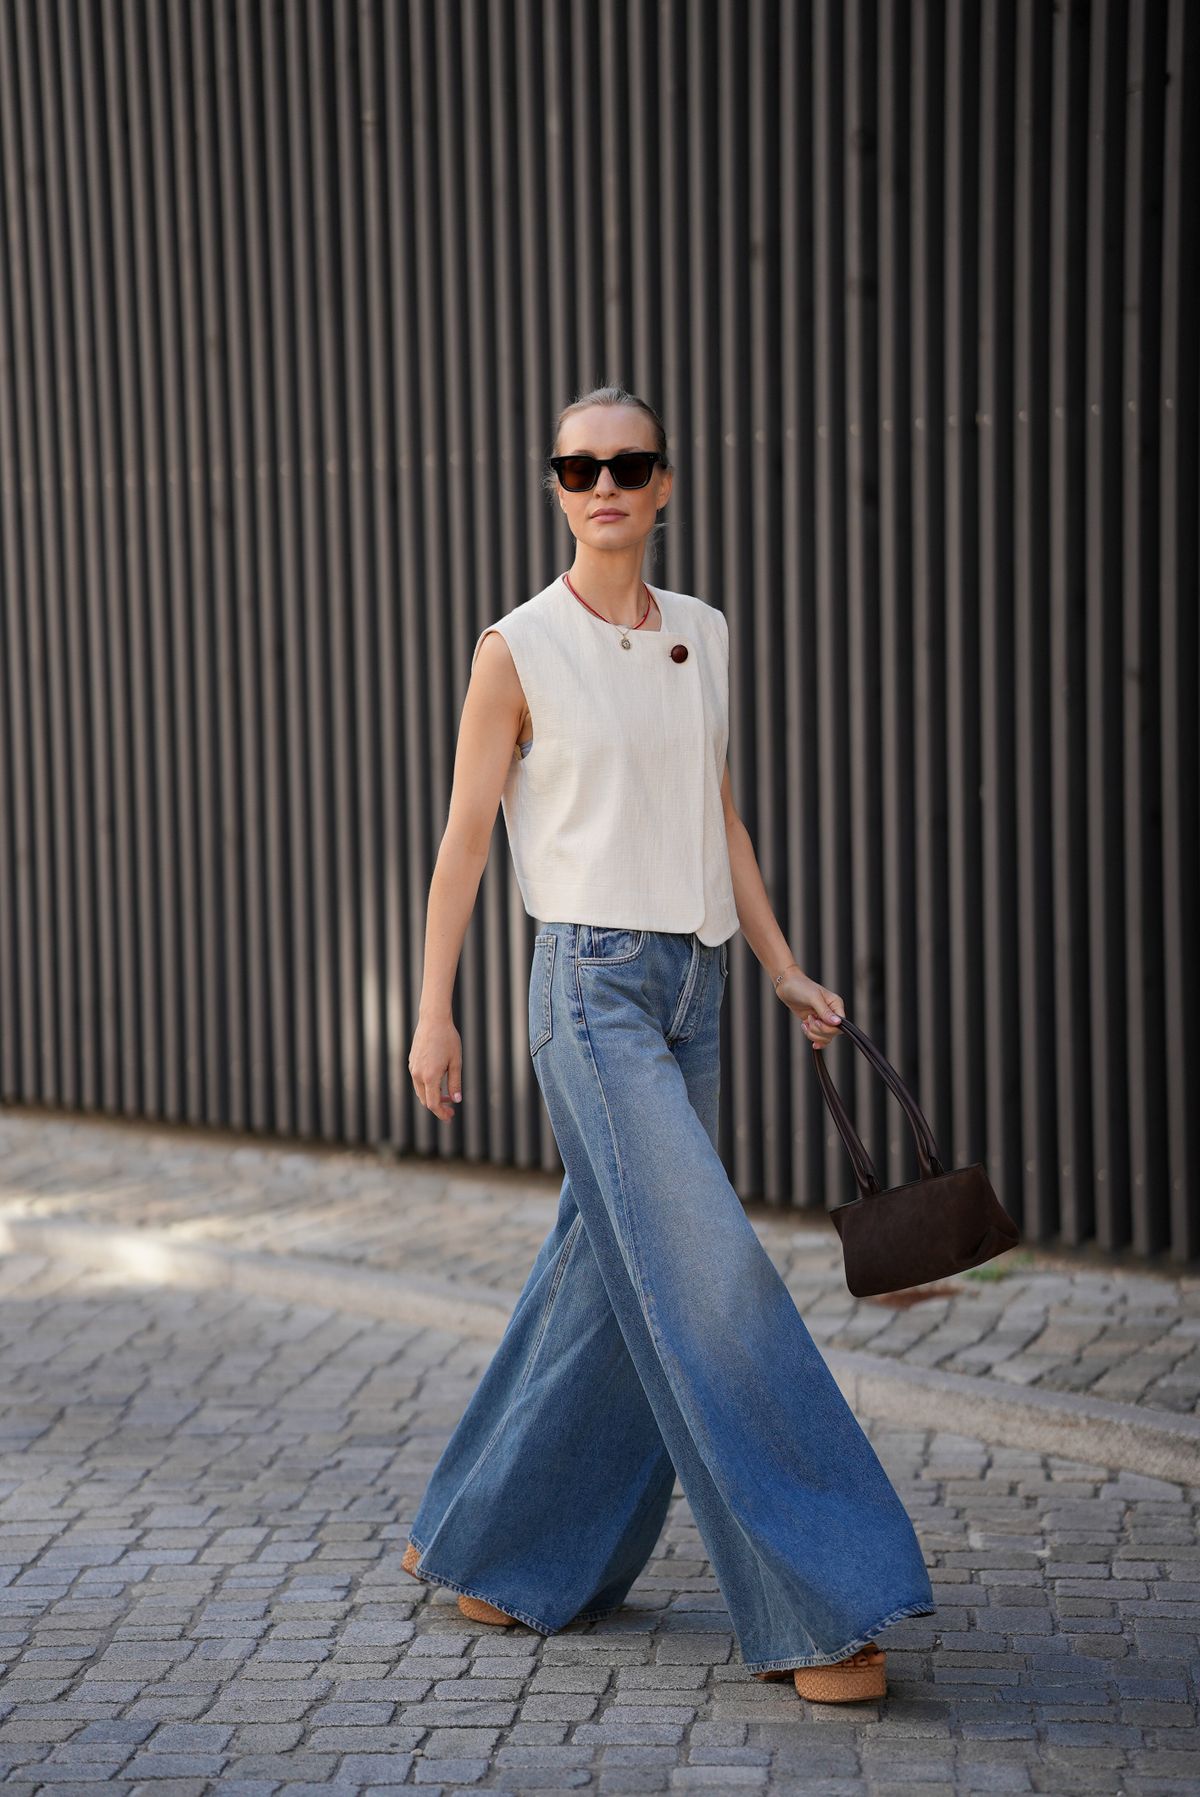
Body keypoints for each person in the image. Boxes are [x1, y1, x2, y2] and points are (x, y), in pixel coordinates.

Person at [403, 385, 935, 1703]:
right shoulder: (515, 645)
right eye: (580, 465)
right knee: (707, 1276)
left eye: (629, 464)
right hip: (584, 990)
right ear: (555, 484)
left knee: (605, 1285)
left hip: (689, 989)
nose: (605, 484)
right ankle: (823, 1602)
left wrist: (782, 965)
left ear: (665, 483)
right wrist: (433, 1007)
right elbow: (466, 838)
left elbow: (724, 821)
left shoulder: (704, 632)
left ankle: (492, 1545)